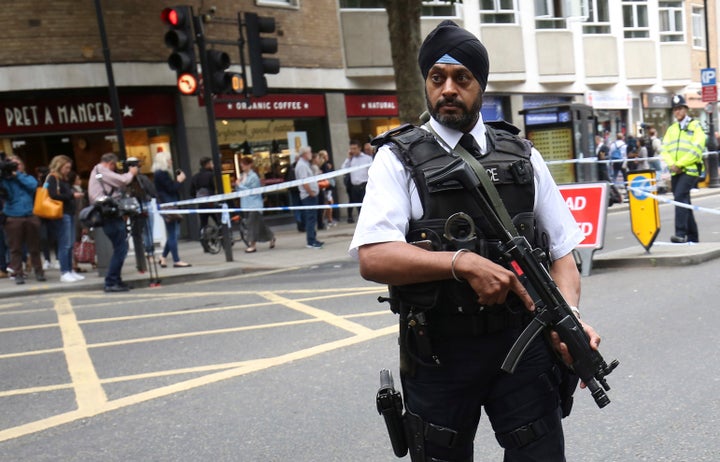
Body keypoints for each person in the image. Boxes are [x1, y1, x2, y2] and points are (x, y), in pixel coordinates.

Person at [349, 20, 601, 461]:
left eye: (461, 77)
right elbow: (373, 256)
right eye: (437, 78)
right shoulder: (396, 159)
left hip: (523, 346)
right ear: (426, 83)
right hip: (439, 353)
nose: (448, 88)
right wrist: (460, 262)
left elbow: (563, 254)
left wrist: (571, 317)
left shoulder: (523, 155)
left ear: (480, 85)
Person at [88, 152, 138, 292]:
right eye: (114, 166)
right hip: (110, 215)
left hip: (108, 214)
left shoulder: (96, 171)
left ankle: (116, 280)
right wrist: (131, 173)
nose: (114, 168)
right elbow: (122, 180)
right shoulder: (102, 170)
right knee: (121, 249)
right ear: (111, 163)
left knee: (120, 248)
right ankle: (111, 282)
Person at [661, 94, 706, 243]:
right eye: (675, 109)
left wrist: (679, 164)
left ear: (686, 109)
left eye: (680, 108)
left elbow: (697, 149)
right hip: (676, 170)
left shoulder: (695, 126)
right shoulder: (672, 129)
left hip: (690, 170)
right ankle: (693, 237)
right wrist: (672, 165)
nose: (677, 112)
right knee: (684, 201)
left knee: (679, 197)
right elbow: (665, 149)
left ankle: (680, 234)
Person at [0, 155, 45, 284]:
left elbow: (33, 186)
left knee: (34, 247)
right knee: (15, 248)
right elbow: (4, 192)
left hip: (30, 215)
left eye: (18, 164)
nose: (16, 166)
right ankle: (18, 273)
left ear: (22, 165)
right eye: (12, 164)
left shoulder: (27, 178)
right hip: (13, 217)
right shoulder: (5, 180)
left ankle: (39, 272)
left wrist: (17, 175)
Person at [46, 155, 86, 283]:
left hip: (69, 212)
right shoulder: (53, 178)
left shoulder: (63, 179)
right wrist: (71, 195)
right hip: (62, 213)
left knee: (70, 243)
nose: (68, 170)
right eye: (66, 167)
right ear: (59, 166)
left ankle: (70, 270)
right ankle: (65, 271)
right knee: (65, 244)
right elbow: (52, 195)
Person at [153, 151, 191, 268]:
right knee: (173, 233)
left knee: (173, 233)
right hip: (168, 205)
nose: (171, 161)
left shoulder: (160, 174)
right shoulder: (162, 174)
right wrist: (179, 180)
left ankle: (163, 257)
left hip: (168, 205)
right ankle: (176, 260)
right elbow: (171, 188)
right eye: (169, 159)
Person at [235, 156, 276, 253]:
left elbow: (252, 191)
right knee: (260, 225)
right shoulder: (242, 176)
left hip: (254, 204)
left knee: (251, 224)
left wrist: (240, 185)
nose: (242, 167)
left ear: (250, 165)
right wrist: (238, 185)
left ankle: (252, 245)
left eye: (244, 165)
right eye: (241, 165)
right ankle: (271, 237)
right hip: (245, 204)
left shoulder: (254, 177)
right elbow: (239, 190)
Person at [295, 146, 323, 249]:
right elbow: (304, 181)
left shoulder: (305, 164)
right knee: (310, 218)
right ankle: (311, 241)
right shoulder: (302, 165)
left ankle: (313, 238)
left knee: (312, 218)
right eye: (309, 152)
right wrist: (310, 192)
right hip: (308, 196)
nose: (311, 154)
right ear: (304, 154)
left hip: (310, 195)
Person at [341, 139, 373, 223]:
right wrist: (348, 158)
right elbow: (343, 170)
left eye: (355, 148)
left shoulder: (367, 158)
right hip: (355, 187)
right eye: (351, 148)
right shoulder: (351, 159)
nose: (353, 150)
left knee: (366, 207)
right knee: (359, 208)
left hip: (364, 185)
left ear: (359, 148)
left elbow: (372, 172)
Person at [189, 156, 219, 234]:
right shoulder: (210, 175)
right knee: (219, 221)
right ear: (207, 164)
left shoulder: (195, 177)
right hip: (211, 203)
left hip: (201, 204)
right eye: (211, 163)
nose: (213, 165)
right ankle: (223, 237)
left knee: (203, 223)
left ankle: (203, 238)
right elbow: (214, 187)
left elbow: (191, 192)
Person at [318, 150, 337, 227]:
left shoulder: (323, 165)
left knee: (327, 203)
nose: (327, 157)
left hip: (325, 187)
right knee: (328, 203)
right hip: (326, 187)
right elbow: (327, 175)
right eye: (326, 155)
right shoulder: (324, 165)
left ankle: (326, 220)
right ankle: (328, 220)